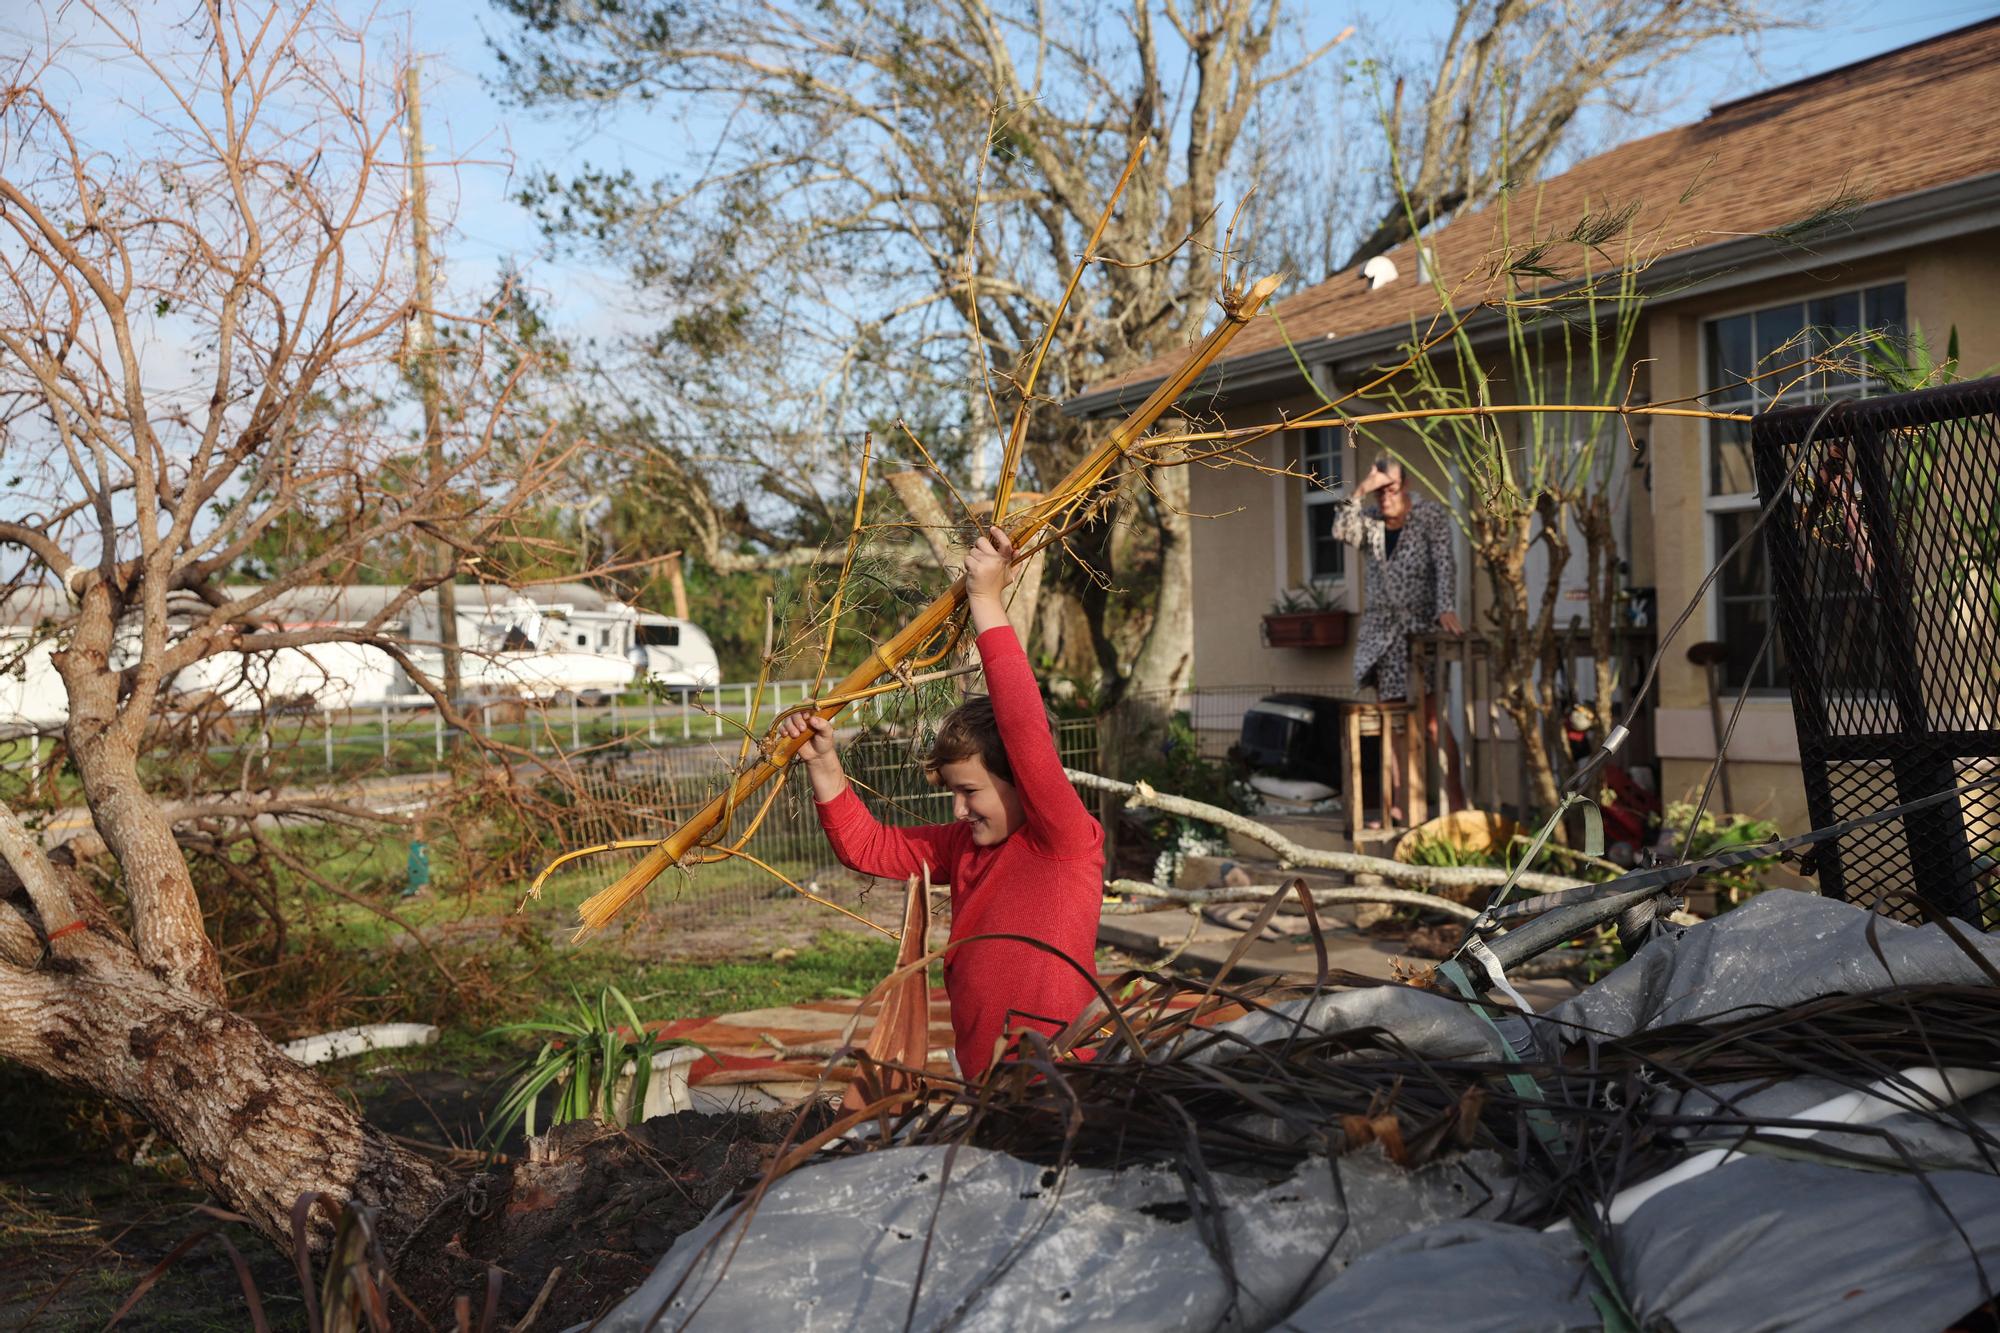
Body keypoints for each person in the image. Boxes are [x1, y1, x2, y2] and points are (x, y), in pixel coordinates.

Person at [779, 526, 1104, 1081]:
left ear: (1023, 780)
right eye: (953, 793)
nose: (958, 811)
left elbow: (1023, 726)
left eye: (970, 792)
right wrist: (824, 765)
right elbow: (869, 848)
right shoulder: (964, 849)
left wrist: (984, 600)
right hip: (983, 1078)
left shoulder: (1063, 840)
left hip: (1060, 1083)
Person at [1335, 458, 1466, 822]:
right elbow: (1341, 530)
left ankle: (1456, 803)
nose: (1385, 498)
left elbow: (1445, 563)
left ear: (1404, 485)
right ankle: (1398, 808)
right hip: (1382, 636)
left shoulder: (1429, 515)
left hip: (1419, 633)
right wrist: (1361, 489)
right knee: (1392, 723)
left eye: (1390, 489)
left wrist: (1445, 609)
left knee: (1431, 722)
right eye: (1379, 492)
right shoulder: (1372, 522)